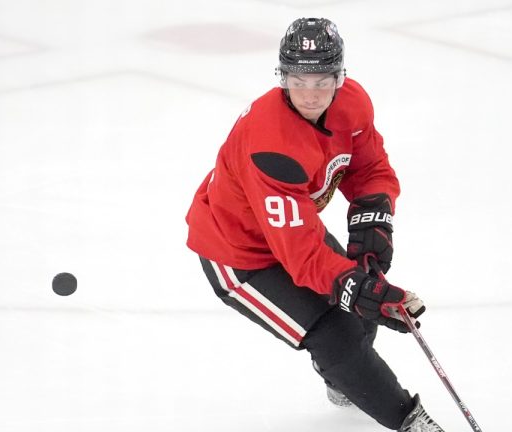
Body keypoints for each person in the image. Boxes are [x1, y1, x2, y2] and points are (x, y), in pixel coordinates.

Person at [185, 17, 445, 432]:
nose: (310, 93)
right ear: (282, 76)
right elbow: (302, 256)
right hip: (238, 253)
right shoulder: (270, 144)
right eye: (297, 80)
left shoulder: (353, 105)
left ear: (340, 77)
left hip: (291, 227)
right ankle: (409, 421)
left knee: (359, 310)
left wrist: (372, 222)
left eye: (322, 80)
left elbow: (370, 167)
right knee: (335, 333)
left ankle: (342, 377)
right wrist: (357, 289)